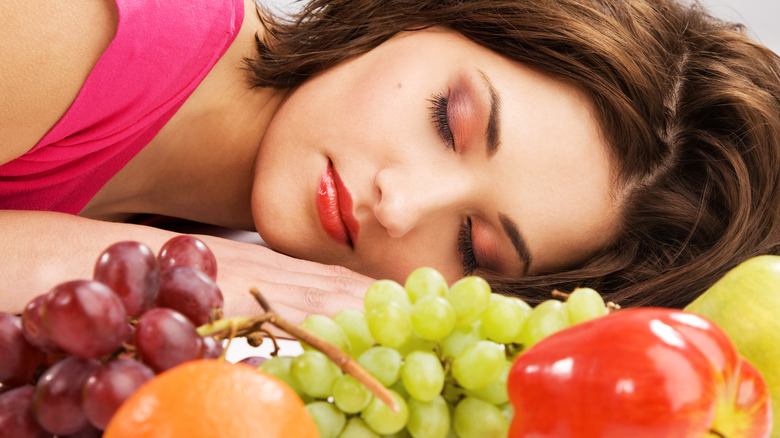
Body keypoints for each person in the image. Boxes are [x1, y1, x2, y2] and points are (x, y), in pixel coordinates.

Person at [1, 0, 778, 323]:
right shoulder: (63, 30)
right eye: (449, 119)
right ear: (421, 15)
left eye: (475, 248)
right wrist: (123, 265)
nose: (399, 203)